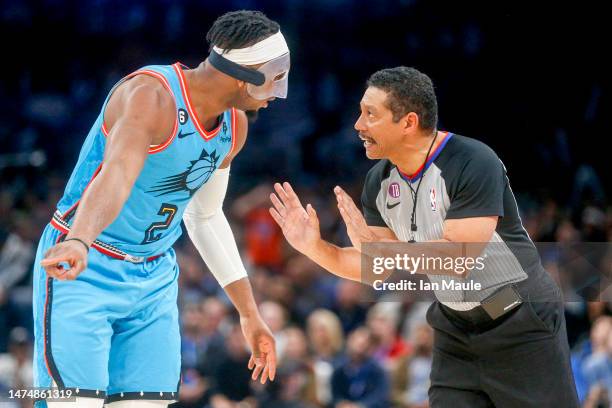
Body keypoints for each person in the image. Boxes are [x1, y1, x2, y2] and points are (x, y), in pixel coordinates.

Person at [269, 66, 580, 407]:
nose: (357, 125)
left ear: (408, 123)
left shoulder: (473, 161)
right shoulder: (379, 181)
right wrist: (313, 247)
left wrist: (385, 251)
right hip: (454, 329)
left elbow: (459, 258)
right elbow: (374, 267)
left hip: (518, 319)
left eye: (370, 115)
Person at [33, 10, 290, 408]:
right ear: (245, 75)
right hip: (84, 262)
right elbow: (117, 174)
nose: (279, 91)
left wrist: (248, 312)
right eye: (275, 76)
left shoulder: (234, 127)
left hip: (152, 275)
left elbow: (204, 217)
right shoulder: (151, 95)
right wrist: (79, 240)